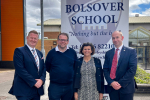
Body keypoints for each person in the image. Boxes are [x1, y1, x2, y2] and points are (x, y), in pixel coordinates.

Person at [8, 30, 46, 100]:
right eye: (31, 38)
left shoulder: (40, 53)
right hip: (23, 90)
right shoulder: (19, 51)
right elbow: (20, 70)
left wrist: (42, 80)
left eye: (35, 38)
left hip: (36, 90)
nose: (33, 40)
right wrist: (34, 82)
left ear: (37, 40)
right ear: (27, 38)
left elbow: (43, 68)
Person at [103, 31, 137, 100]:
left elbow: (132, 69)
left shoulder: (131, 51)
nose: (115, 40)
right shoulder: (108, 53)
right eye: (113, 38)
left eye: (117, 37)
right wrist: (111, 82)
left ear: (122, 38)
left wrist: (120, 83)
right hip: (112, 88)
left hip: (126, 88)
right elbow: (105, 69)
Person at [45, 33, 77, 100]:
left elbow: (75, 66)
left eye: (64, 40)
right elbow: (47, 67)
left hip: (69, 86)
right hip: (55, 86)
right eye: (61, 40)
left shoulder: (72, 52)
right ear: (57, 41)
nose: (63, 41)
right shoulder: (51, 53)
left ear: (68, 41)